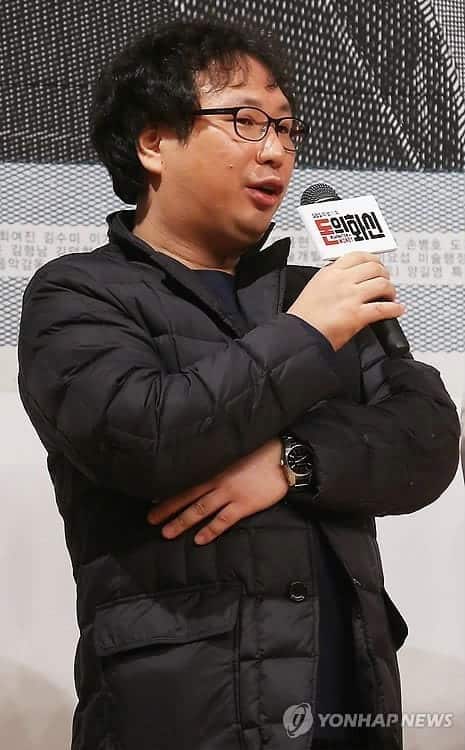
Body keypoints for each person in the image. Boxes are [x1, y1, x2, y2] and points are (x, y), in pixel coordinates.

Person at [17, 19, 460, 750]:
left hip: (349, 702)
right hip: (182, 714)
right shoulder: (77, 293)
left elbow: (427, 441)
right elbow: (143, 434)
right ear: (153, 142)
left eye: (286, 128)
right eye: (246, 121)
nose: (276, 150)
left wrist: (292, 463)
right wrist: (307, 334)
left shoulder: (316, 291)